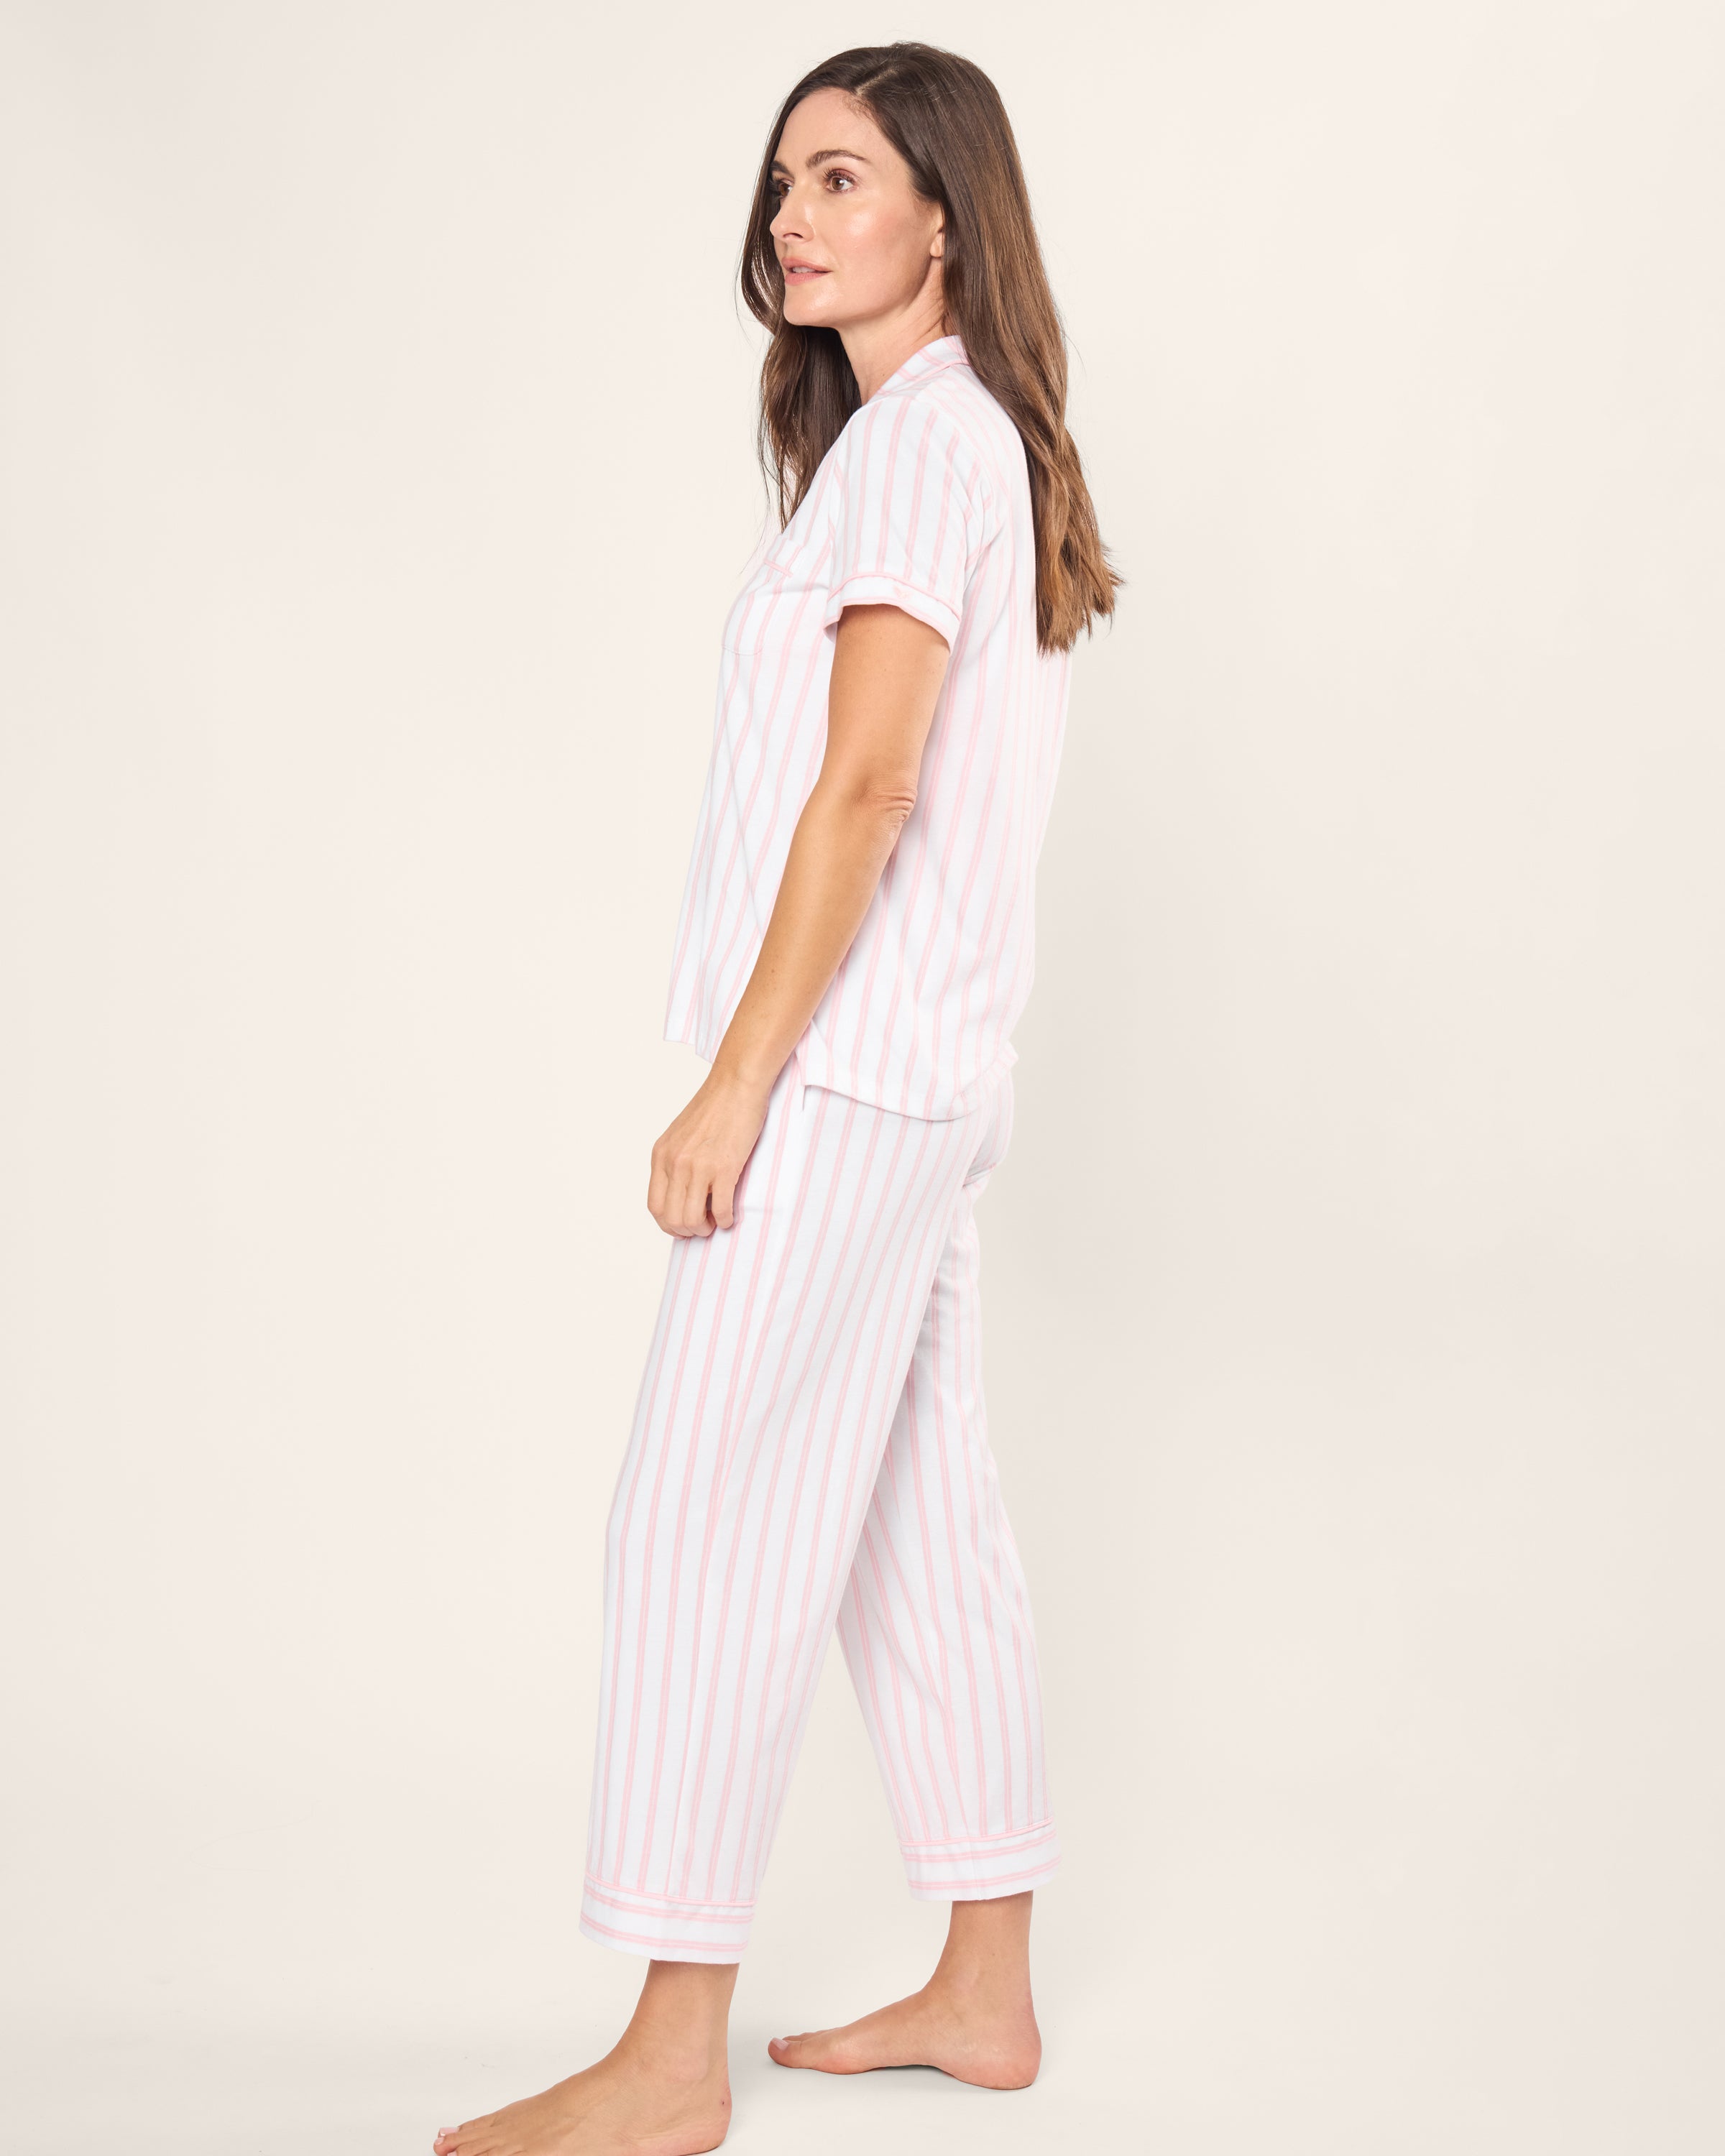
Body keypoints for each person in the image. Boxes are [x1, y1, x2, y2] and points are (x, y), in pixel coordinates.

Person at [433, 40, 1117, 2156]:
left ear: (947, 216)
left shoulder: (923, 450)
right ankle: (986, 1989)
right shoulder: (956, 444)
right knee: (916, 1521)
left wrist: (738, 1085)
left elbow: (870, 785)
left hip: (842, 1082)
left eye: (841, 179)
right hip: (928, 1078)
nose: (793, 220)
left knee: (699, 1521)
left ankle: (668, 2060)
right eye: (784, 183)